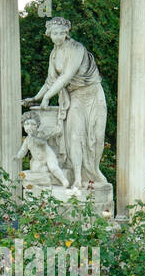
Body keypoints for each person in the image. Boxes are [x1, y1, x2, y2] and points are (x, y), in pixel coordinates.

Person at [25, 17, 108, 191]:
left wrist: (48, 97)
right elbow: (50, 81)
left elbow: (67, 76)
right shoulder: (54, 54)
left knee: (97, 137)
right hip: (76, 96)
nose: (56, 36)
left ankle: (94, 171)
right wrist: (36, 98)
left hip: (93, 93)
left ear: (66, 33)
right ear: (49, 34)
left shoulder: (77, 48)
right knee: (75, 136)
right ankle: (77, 178)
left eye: (60, 33)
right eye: (53, 33)